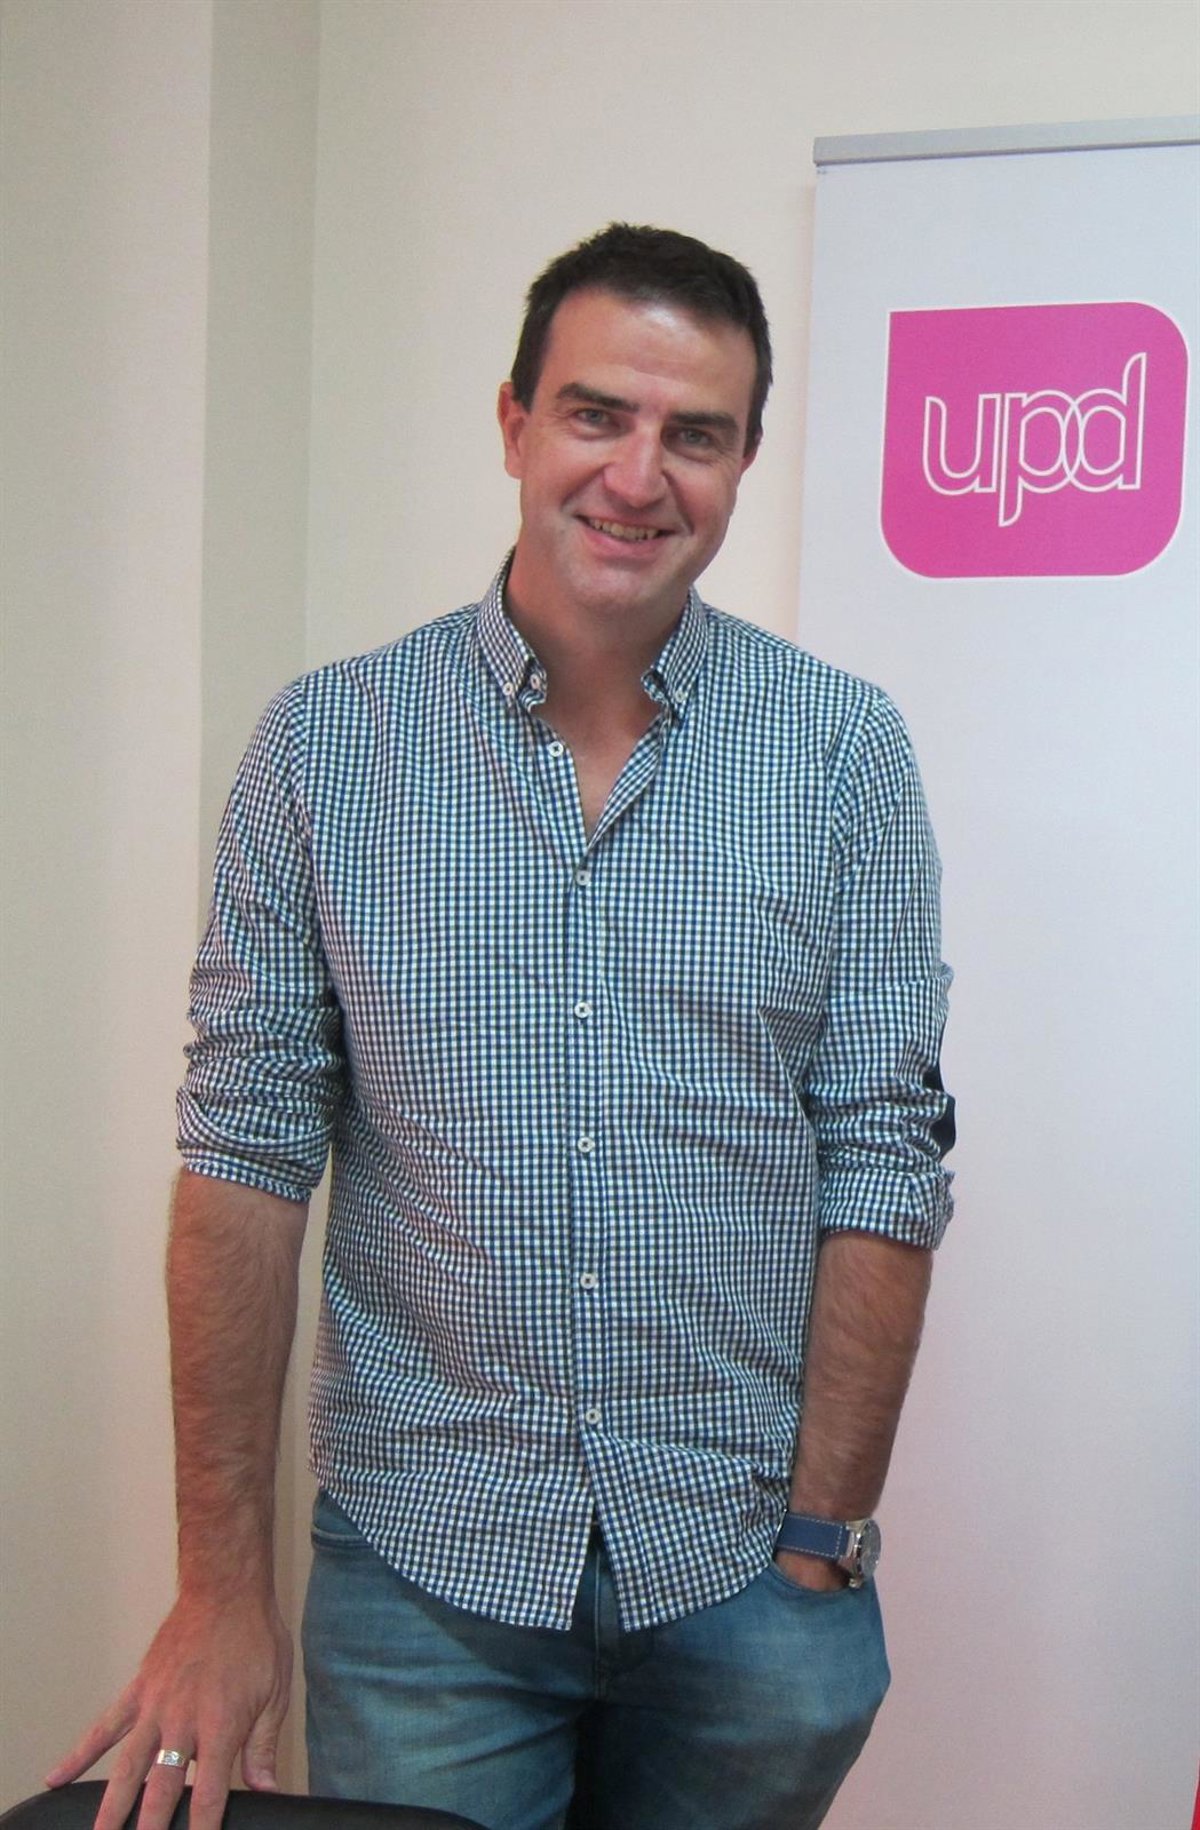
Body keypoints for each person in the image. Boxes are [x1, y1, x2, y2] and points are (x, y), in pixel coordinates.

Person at [49, 223, 954, 1830]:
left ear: (746, 461)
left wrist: (825, 1538)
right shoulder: (328, 748)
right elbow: (244, 1161)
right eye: (598, 413)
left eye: (696, 433)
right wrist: (220, 1588)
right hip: (425, 1584)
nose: (639, 475)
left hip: (748, 1580)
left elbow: (883, 1155)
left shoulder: (843, 754)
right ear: (515, 421)